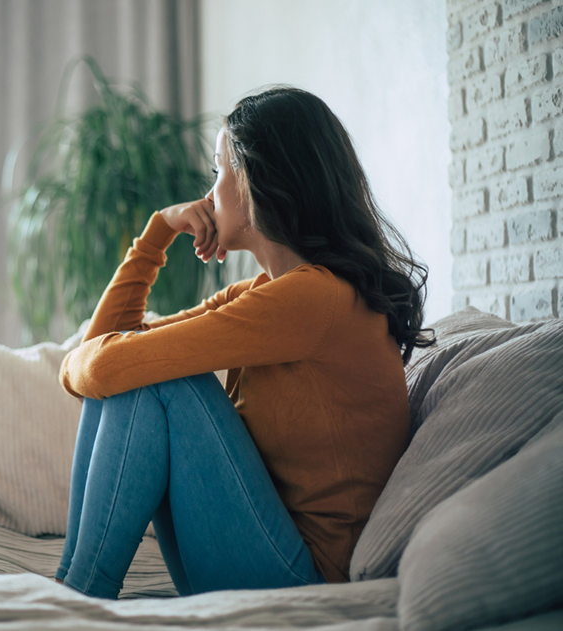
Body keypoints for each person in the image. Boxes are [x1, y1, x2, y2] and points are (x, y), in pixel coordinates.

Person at [52, 85, 435, 599]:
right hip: (256, 553)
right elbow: (108, 352)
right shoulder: (267, 295)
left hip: (305, 582)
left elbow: (101, 365)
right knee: (143, 369)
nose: (209, 194)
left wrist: (79, 363)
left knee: (161, 378)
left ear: (256, 181)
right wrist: (157, 232)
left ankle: (78, 596)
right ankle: (73, 588)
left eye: (218, 171)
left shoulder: (313, 299)